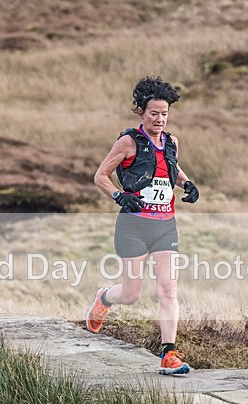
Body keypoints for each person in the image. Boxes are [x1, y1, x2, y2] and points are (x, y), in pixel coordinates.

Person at [85, 76, 200, 376]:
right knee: (132, 294)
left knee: (168, 290)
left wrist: (187, 184)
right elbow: (100, 176)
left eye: (164, 114)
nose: (160, 119)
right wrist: (119, 196)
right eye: (154, 113)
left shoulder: (172, 142)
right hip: (133, 227)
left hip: (165, 227)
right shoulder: (128, 142)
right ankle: (104, 298)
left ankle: (169, 354)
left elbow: (169, 169)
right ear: (140, 111)